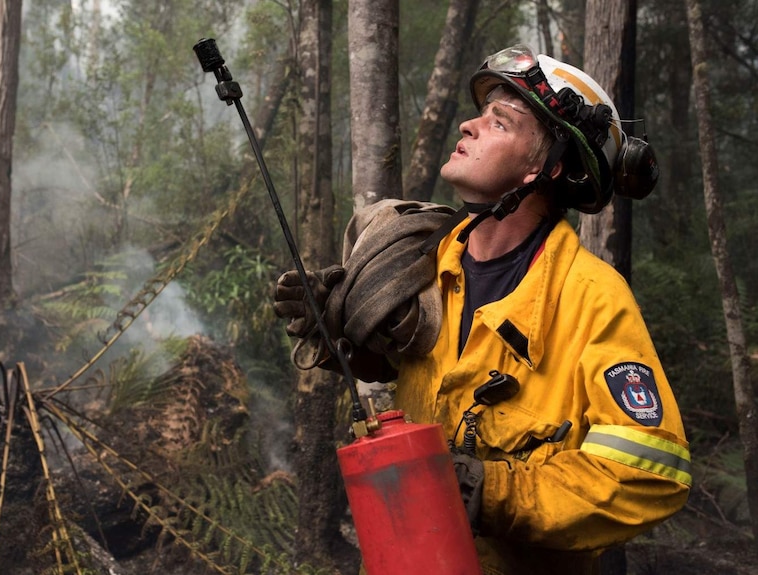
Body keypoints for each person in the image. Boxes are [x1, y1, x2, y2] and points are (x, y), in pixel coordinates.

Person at [273, 44, 691, 575]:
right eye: (480, 113)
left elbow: (652, 474)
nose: (469, 126)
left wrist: (489, 490)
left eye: (500, 121)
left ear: (544, 166)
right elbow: (424, 377)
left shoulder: (591, 297)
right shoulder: (423, 265)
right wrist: (346, 342)